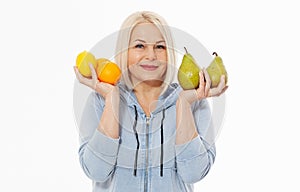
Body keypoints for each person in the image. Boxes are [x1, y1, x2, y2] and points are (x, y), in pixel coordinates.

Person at [73, 11, 228, 192]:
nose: (151, 55)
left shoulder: (195, 102)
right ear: (124, 51)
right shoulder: (99, 101)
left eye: (160, 47)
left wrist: (184, 104)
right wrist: (112, 100)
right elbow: (95, 171)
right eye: (140, 46)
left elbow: (193, 173)